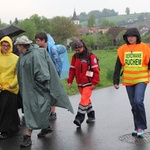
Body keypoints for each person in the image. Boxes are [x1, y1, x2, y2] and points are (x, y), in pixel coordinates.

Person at [15, 35, 73, 147]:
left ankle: (27, 137)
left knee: (31, 112)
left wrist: (38, 87)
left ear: (22, 46)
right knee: (35, 111)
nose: (17, 47)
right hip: (28, 90)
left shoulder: (35, 54)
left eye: (18, 45)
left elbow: (43, 74)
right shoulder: (24, 55)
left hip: (36, 90)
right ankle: (45, 127)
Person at [113, 28, 150, 138]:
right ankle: (136, 127)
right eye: (128, 36)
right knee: (134, 105)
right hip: (128, 80)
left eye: (133, 36)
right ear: (125, 37)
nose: (130, 38)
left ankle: (141, 127)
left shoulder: (145, 47)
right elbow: (118, 66)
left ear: (137, 36)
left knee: (138, 101)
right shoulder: (122, 49)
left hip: (141, 79)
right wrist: (115, 80)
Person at [35, 32, 70, 120]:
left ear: (44, 41)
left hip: (52, 73)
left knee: (52, 92)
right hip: (43, 74)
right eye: (36, 40)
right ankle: (47, 111)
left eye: (38, 40)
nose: (37, 42)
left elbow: (57, 63)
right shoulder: (37, 50)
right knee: (44, 93)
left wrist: (56, 76)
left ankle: (53, 112)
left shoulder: (52, 50)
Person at [67, 38, 100, 127]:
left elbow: (96, 70)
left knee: (84, 100)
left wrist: (94, 83)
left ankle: (79, 118)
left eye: (79, 50)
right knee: (86, 100)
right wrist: (70, 81)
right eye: (76, 50)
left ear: (83, 47)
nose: (77, 51)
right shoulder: (75, 57)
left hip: (88, 83)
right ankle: (91, 116)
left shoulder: (90, 56)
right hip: (80, 83)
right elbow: (72, 69)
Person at [0, 36, 20, 139]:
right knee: (8, 109)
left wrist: (11, 85)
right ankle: (14, 126)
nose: (6, 47)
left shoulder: (15, 58)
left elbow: (18, 74)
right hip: (0, 87)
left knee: (6, 110)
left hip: (10, 88)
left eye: (8, 45)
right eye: (4, 45)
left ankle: (5, 131)